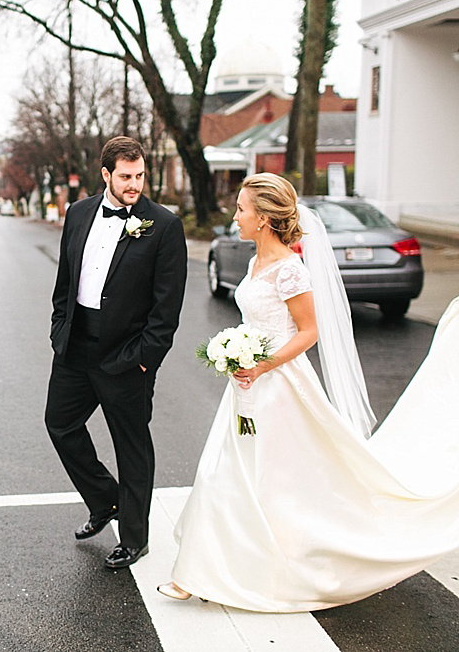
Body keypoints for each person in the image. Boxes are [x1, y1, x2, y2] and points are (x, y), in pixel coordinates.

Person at [157, 173, 459, 611]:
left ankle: (238, 567)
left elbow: (309, 332)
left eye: (241, 209)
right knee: (226, 471)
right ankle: (201, 569)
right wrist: (237, 354)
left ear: (263, 219)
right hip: (247, 385)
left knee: (270, 480)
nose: (235, 216)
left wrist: (261, 365)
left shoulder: (289, 268)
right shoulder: (254, 262)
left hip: (279, 388)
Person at [45, 136, 187, 569]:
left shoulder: (163, 225)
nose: (134, 184)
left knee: (132, 445)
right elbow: (65, 282)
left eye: (140, 175)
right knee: (60, 424)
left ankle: (135, 537)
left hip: (127, 356)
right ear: (106, 175)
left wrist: (144, 358)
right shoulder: (79, 213)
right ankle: (105, 500)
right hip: (75, 347)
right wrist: (59, 329)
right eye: (125, 177)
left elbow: (167, 309)